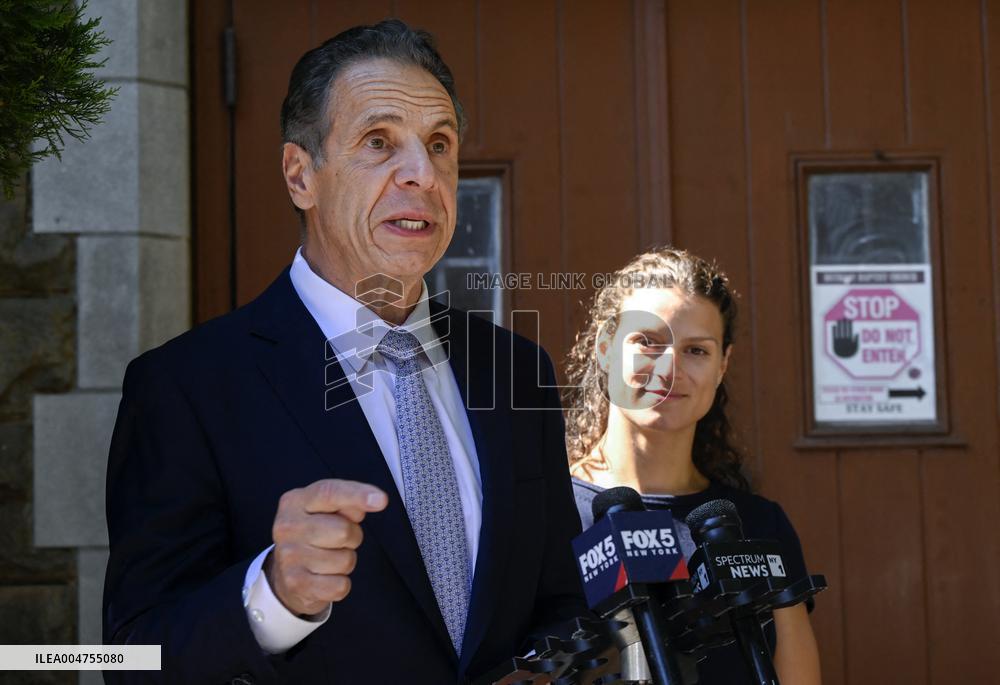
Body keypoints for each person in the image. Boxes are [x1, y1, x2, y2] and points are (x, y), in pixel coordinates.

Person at [103, 20, 584, 684]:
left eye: (439, 144)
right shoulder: (185, 387)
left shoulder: (517, 369)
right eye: (379, 142)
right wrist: (272, 596)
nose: (422, 173)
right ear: (302, 176)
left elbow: (563, 602)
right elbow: (131, 658)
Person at [563, 247, 822, 684]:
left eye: (696, 351)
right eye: (647, 342)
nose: (669, 370)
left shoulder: (758, 526)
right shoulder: (545, 512)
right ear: (605, 349)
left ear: (723, 365)